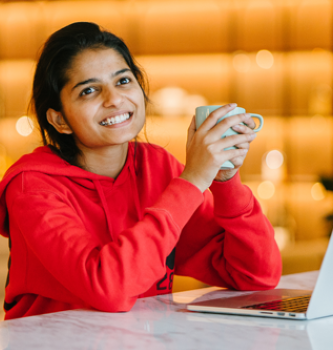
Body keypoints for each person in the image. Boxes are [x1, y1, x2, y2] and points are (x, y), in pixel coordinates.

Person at [0, 22, 281, 320]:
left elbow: (255, 276)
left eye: (123, 81)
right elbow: (108, 289)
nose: (114, 99)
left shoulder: (156, 167)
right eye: (89, 90)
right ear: (60, 121)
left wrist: (225, 181)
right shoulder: (31, 187)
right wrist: (193, 180)